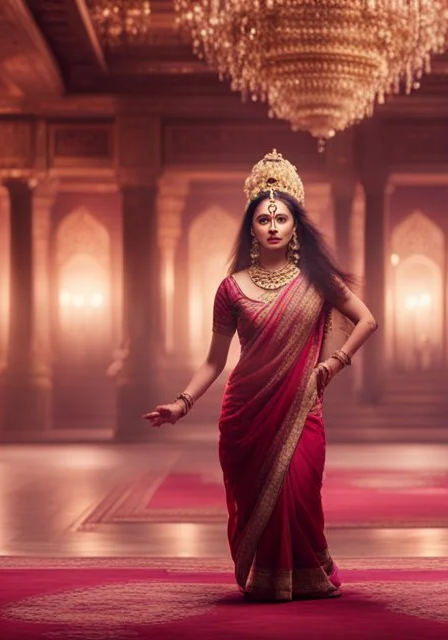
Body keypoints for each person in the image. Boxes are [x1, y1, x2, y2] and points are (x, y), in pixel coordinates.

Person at [143, 150, 379, 603]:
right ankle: (268, 578)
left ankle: (307, 573)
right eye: (264, 219)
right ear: (251, 227)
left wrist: (335, 361)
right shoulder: (231, 288)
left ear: (295, 227)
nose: (273, 226)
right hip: (245, 414)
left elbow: (366, 319)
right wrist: (182, 404)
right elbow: (214, 361)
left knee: (301, 490)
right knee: (258, 500)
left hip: (301, 406)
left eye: (282, 218)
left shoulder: (317, 280)